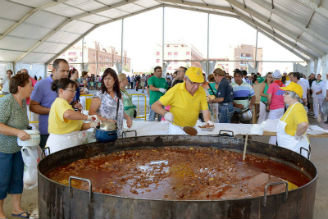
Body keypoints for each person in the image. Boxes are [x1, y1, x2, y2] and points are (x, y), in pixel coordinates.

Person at [0, 73, 33, 219]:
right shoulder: (7, 101)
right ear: (20, 87)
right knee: (2, 180)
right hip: (4, 150)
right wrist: (17, 132)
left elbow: (22, 124)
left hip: (19, 149)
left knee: (17, 179)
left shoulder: (23, 102)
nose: (32, 87)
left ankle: (16, 209)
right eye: (29, 85)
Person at [151, 67, 213, 134]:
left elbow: (205, 110)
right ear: (185, 79)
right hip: (176, 129)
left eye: (198, 83)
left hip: (193, 127)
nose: (196, 87)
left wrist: (208, 121)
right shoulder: (176, 90)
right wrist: (165, 113)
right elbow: (154, 106)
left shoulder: (201, 91)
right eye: (193, 83)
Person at [46, 79, 98, 154]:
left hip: (68, 145)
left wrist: (92, 124)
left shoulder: (67, 106)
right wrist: (87, 117)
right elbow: (68, 114)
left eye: (75, 91)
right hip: (60, 145)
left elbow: (78, 126)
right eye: (71, 91)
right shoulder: (59, 102)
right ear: (61, 91)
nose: (74, 94)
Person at [30, 59, 69, 148]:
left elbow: (70, 104)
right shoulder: (41, 84)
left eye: (67, 71)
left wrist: (75, 105)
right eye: (63, 71)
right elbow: (33, 107)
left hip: (66, 130)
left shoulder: (68, 84)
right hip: (48, 132)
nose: (66, 74)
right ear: (54, 70)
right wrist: (53, 110)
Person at [89, 68, 132, 135]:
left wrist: (128, 117)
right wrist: (106, 121)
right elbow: (91, 113)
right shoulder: (99, 95)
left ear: (114, 80)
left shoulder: (119, 95)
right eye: (105, 79)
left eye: (109, 78)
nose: (106, 81)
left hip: (118, 132)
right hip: (103, 132)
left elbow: (120, 111)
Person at [278, 82, 309, 158]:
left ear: (294, 95)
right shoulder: (291, 107)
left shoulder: (297, 107)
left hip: (295, 149)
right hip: (290, 148)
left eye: (286, 93)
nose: (283, 95)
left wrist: (297, 136)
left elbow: (303, 124)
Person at [267, 70, 285, 145]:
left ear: (273, 78)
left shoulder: (272, 85)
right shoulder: (283, 85)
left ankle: (272, 144)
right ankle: (279, 142)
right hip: (281, 108)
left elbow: (269, 97)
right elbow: (284, 96)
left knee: (272, 126)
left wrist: (268, 105)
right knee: (279, 126)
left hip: (274, 108)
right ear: (280, 78)